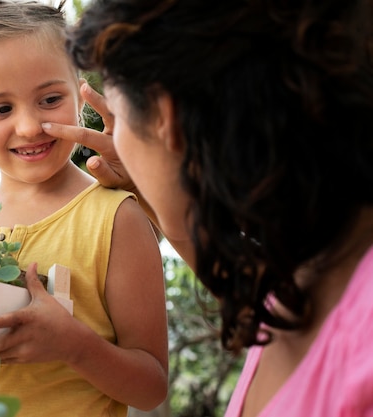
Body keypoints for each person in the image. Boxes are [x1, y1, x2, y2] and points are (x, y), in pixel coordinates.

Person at [40, 0, 373, 416]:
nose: (114, 136)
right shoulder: (316, 271)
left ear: (167, 118)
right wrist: (160, 186)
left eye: (118, 115)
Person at [0, 1, 168, 416]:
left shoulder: (117, 219)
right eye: (1, 109)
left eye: (50, 99)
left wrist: (75, 347)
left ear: (79, 90)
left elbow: (151, 388)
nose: (28, 126)